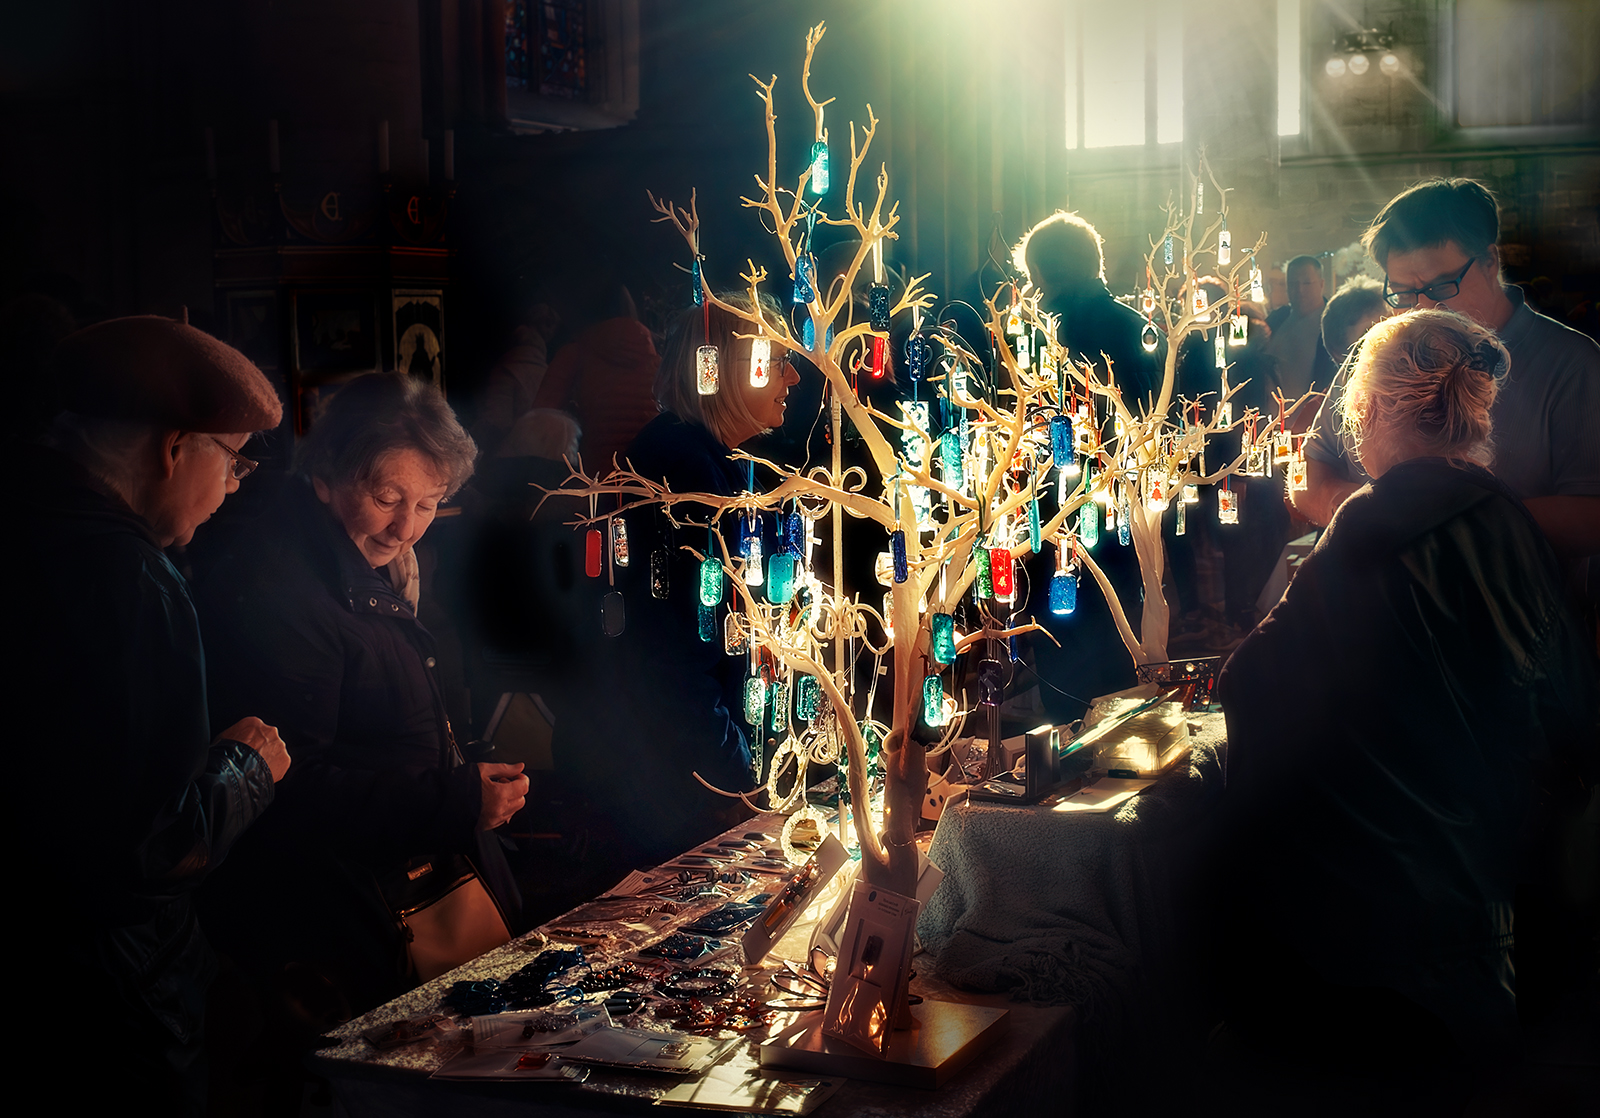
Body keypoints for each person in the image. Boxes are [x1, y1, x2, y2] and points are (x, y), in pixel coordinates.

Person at [1212, 310, 1598, 1078]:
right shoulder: (1505, 515)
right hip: (1489, 903)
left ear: (1375, 409)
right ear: (1477, 416)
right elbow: (1569, 711)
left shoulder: (1374, 516)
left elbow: (1255, 684)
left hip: (1374, 921)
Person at [12, 315, 292, 1114]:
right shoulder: (134, 582)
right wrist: (247, 767)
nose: (235, 487)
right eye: (234, 462)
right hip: (110, 999)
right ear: (174, 448)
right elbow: (155, 848)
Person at [196, 373, 528, 1024]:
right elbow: (292, 787)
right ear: (325, 477)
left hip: (397, 885)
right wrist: (458, 800)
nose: (406, 527)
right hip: (346, 923)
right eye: (386, 497)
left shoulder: (378, 571)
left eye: (429, 504)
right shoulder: (292, 596)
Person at [549, 295, 800, 868]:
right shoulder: (684, 474)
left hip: (677, 759)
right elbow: (673, 657)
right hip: (667, 779)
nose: (791, 376)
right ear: (729, 370)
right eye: (776, 361)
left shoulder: (711, 462)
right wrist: (732, 776)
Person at [1295, 178, 1600, 559]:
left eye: (1441, 287)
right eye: (1403, 292)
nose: (1422, 309)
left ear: (1491, 262)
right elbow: (1304, 472)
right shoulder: (1376, 354)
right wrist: (1362, 512)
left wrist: (1454, 523)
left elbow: (1592, 515)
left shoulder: (1572, 364)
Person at [1013, 212, 1157, 719]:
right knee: (1120, 636)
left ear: (1045, 275)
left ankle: (1070, 758)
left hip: (1058, 511)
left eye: (1034, 277)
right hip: (1127, 508)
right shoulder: (1138, 327)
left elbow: (1030, 425)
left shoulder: (1049, 334)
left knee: (1065, 648)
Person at [532, 284, 662, 469]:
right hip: (652, 479)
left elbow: (539, 421)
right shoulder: (656, 358)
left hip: (595, 481)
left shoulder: (575, 353)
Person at [476, 301, 561, 457]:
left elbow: (496, 422)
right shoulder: (552, 373)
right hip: (547, 463)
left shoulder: (506, 371)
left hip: (510, 467)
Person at [1262, 255, 1337, 411]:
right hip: (1270, 419)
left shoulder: (1335, 324)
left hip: (1315, 420)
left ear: (1321, 284)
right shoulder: (1276, 319)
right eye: (1293, 284)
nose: (1300, 290)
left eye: (1307, 283)